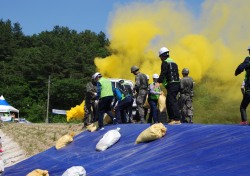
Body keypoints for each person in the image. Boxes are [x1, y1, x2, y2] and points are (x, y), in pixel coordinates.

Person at [155, 47, 181, 125]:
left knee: (172, 101)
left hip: (172, 84)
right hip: (176, 84)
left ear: (162, 56)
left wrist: (158, 82)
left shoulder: (165, 62)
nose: (160, 58)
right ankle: (171, 118)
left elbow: (163, 73)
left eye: (160, 57)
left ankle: (176, 119)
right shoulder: (174, 62)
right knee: (168, 101)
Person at [235, 46, 250, 125]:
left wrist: (237, 72)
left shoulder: (248, 60)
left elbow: (241, 67)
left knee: (243, 107)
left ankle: (244, 121)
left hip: (248, 91)